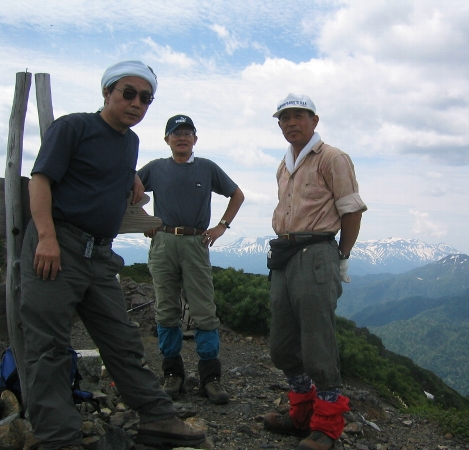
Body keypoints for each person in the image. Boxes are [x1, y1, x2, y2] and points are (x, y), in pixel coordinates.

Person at [20, 61, 205, 449]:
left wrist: (131, 177)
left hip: (100, 254)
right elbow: (40, 181)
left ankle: (157, 417)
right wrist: (47, 238)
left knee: (123, 339)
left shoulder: (129, 142)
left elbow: (108, 170)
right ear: (107, 92)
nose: (137, 103)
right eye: (129, 93)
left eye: (146, 98)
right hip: (59, 246)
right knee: (48, 347)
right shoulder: (73, 127)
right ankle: (59, 438)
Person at [263, 94, 367, 450]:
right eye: (284, 118)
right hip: (286, 252)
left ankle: (327, 425)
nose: (291, 123)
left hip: (317, 251)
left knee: (317, 340)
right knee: (282, 343)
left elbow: (351, 210)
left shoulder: (332, 158)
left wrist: (342, 255)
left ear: (314, 120)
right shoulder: (285, 164)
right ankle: (302, 413)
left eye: (299, 116)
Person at [137, 114, 244, 404]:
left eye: (187, 133)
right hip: (163, 241)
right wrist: (144, 220)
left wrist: (222, 226)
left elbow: (237, 195)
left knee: (204, 310)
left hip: (196, 242)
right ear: (167, 139)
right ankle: (173, 374)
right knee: (166, 309)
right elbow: (126, 189)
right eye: (176, 133)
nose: (182, 137)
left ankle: (210, 378)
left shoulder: (207, 168)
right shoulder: (155, 168)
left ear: (195, 139)